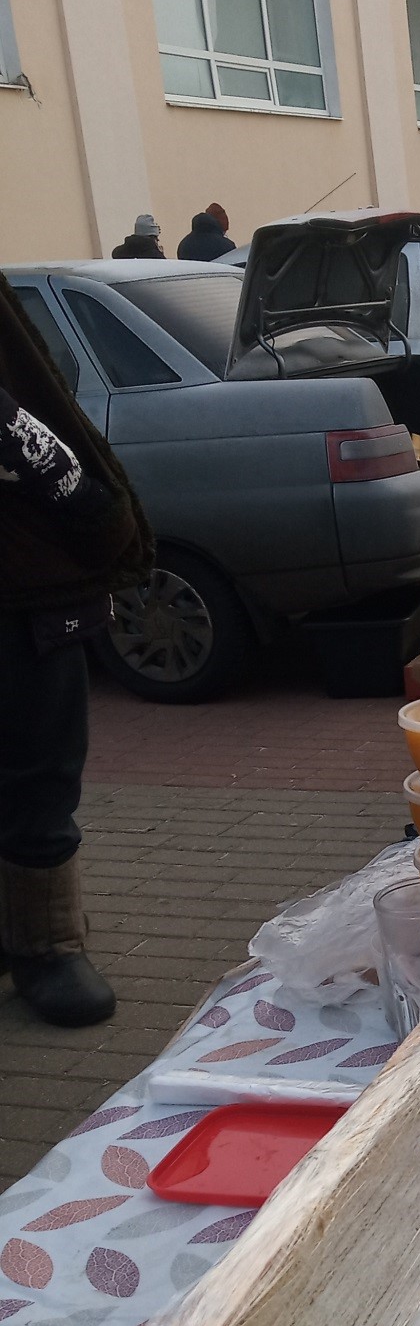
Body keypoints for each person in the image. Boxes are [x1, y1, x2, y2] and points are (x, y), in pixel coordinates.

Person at [1, 275, 154, 1025]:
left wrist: (89, 503)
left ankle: (45, 942)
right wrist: (88, 503)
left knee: (42, 764)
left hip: (25, 584)